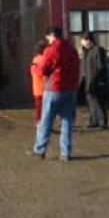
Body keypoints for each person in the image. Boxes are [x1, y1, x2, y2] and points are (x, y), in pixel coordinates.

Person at [30, 26, 80, 161]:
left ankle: (40, 149)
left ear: (52, 35)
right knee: (67, 121)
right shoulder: (72, 50)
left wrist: (35, 70)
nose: (48, 40)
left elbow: (43, 69)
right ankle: (65, 153)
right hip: (70, 89)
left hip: (54, 89)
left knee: (46, 120)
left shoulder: (51, 50)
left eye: (48, 37)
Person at [79, 33, 109, 129]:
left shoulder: (98, 50)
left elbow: (100, 67)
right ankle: (93, 120)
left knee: (98, 101)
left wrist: (97, 79)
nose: (81, 43)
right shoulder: (86, 51)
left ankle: (102, 121)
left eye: (82, 40)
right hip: (87, 80)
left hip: (95, 81)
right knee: (90, 102)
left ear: (88, 40)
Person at [29, 40, 48, 124]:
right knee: (45, 110)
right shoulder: (43, 59)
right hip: (44, 88)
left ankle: (39, 123)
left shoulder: (35, 59)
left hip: (37, 88)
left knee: (39, 109)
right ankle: (43, 125)